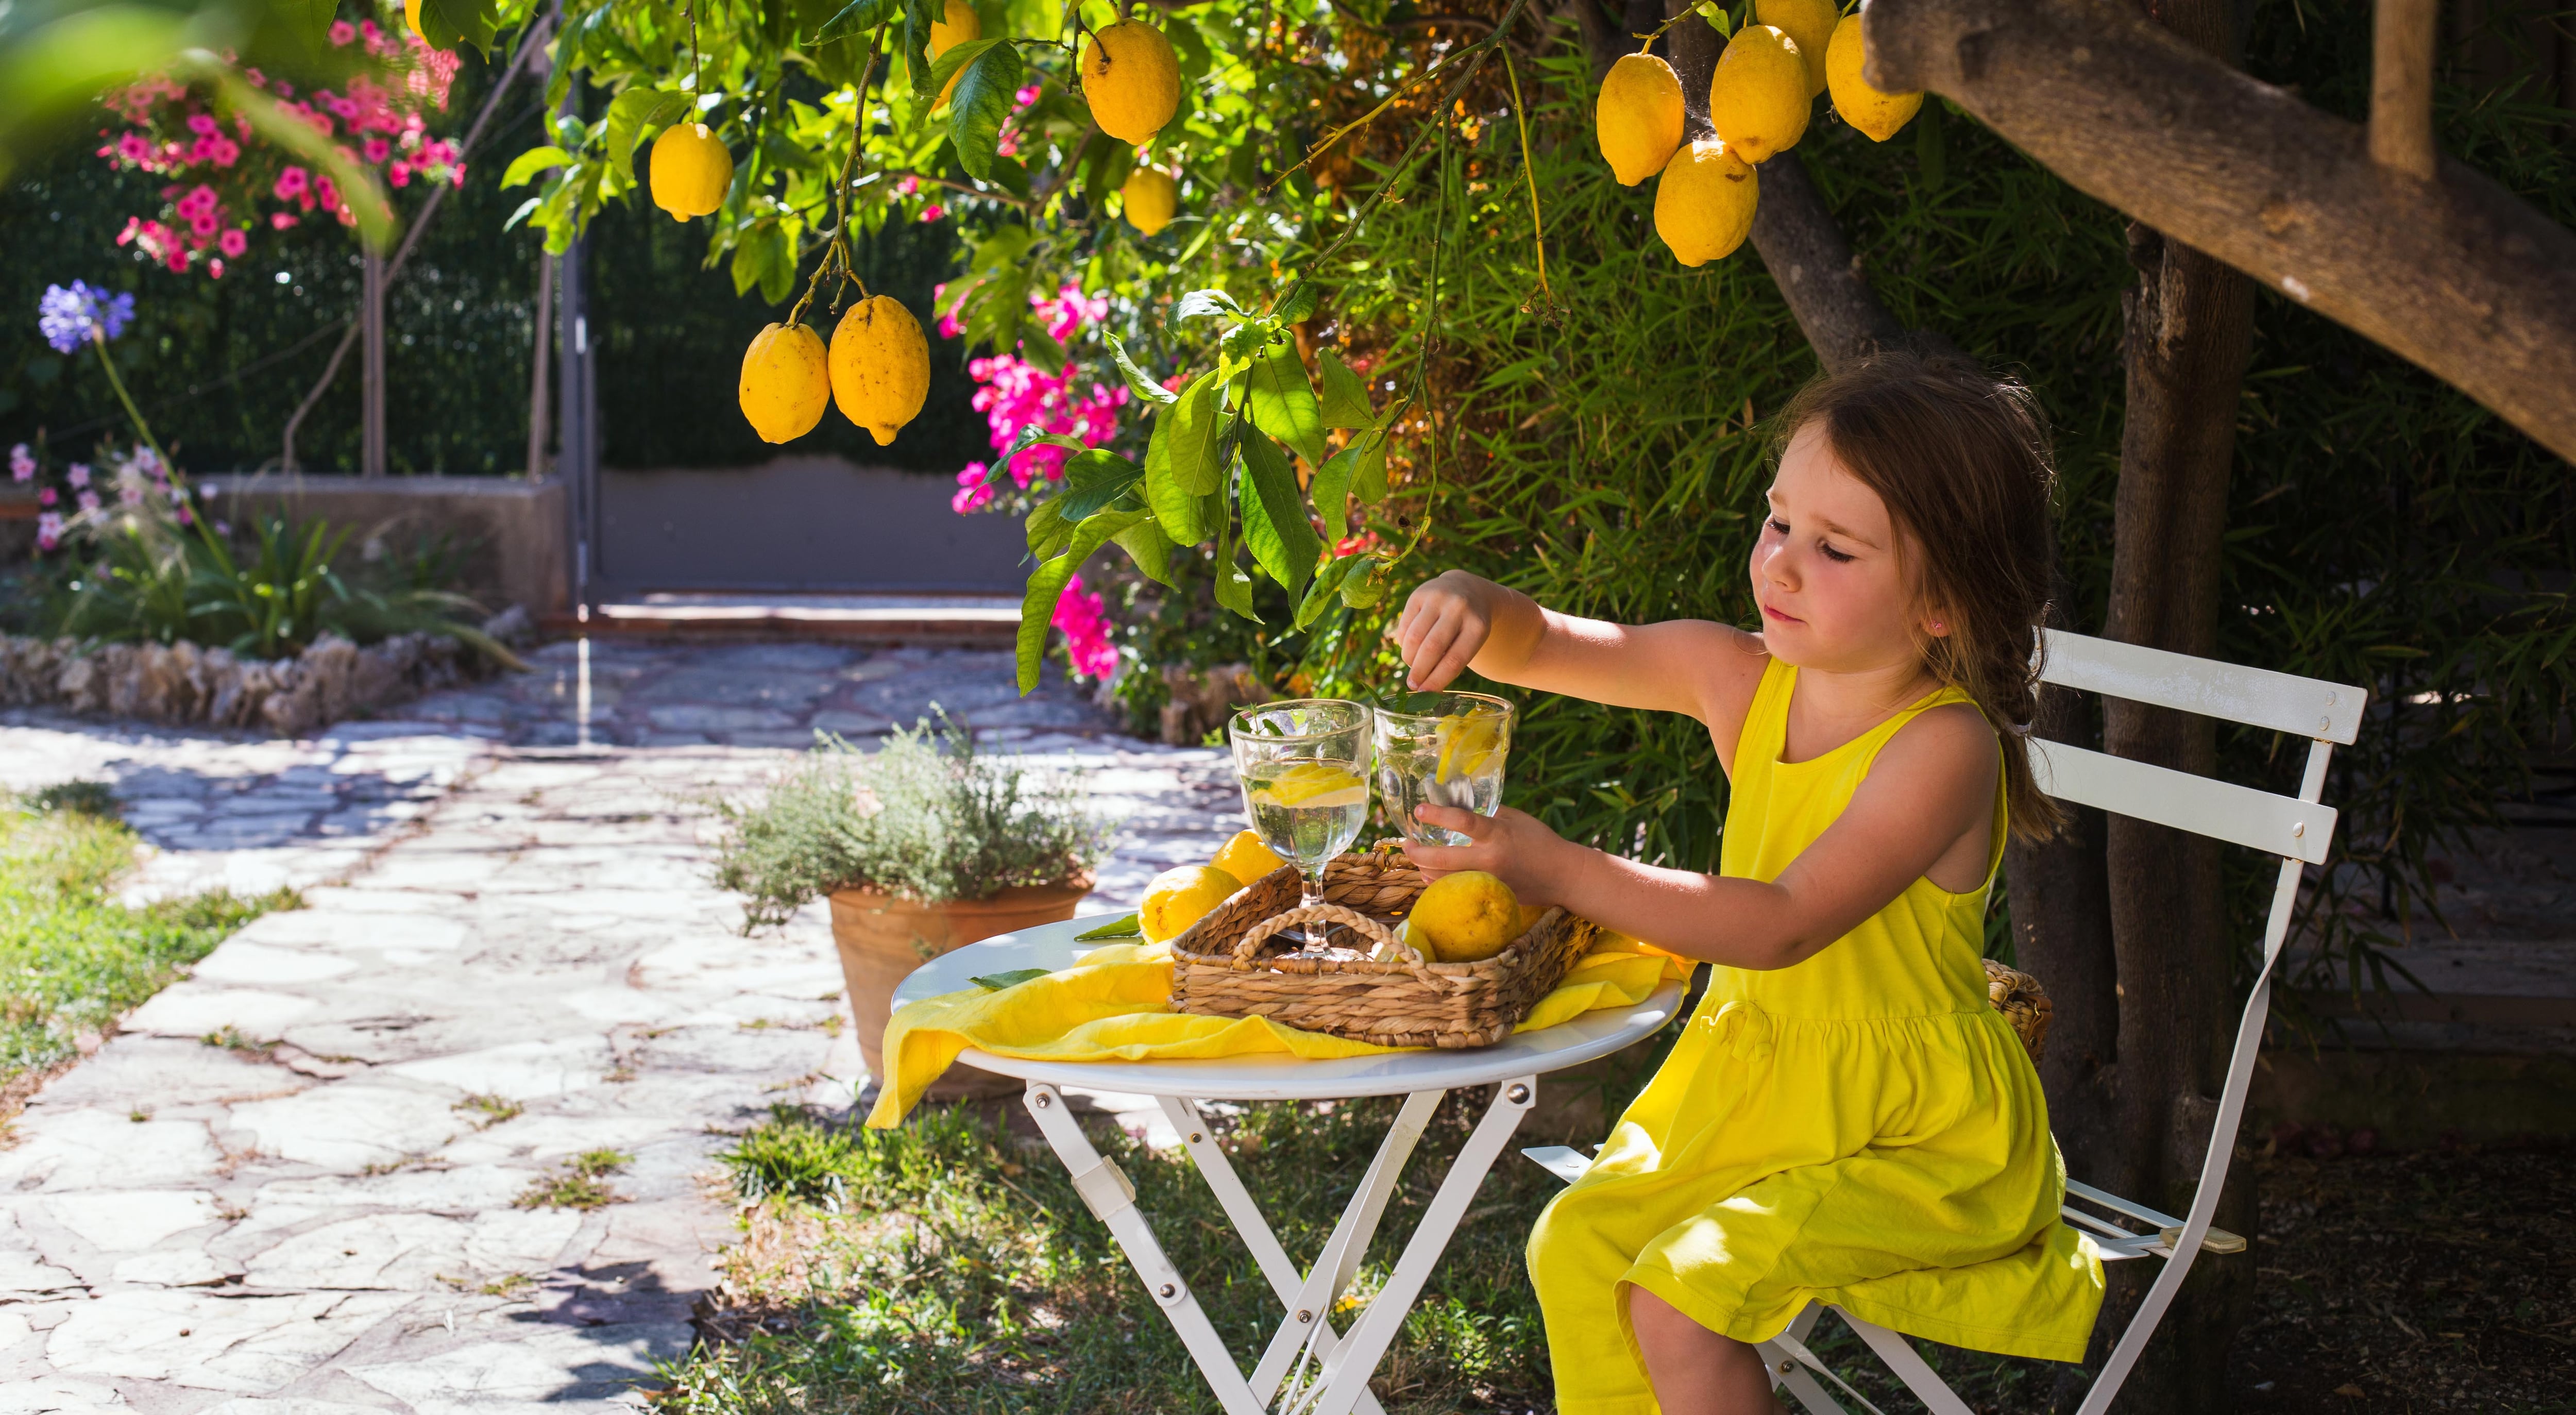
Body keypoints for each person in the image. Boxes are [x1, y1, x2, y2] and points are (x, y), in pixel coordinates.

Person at [1391, 352, 2105, 1414]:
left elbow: (1777, 926)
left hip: (1912, 1132)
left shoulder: (1942, 748)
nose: (1781, 565)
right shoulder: (1741, 679)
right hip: (1757, 1093)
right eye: (1778, 523)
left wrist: (1561, 870)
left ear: (1942, 602)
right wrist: (1468, 601)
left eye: (1834, 547)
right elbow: (1542, 641)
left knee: (1682, 1296)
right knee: (1578, 1244)